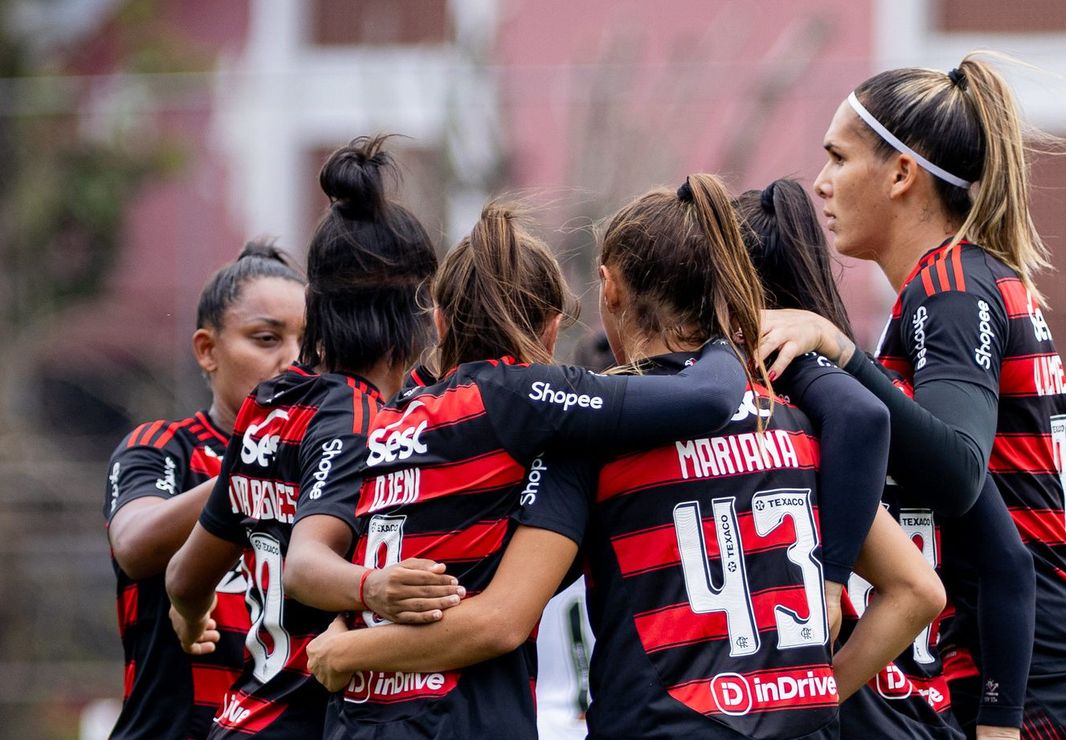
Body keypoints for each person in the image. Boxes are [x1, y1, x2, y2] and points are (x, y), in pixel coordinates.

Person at [759, 53, 1066, 739]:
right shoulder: (953, 282)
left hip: (1039, 673)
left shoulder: (952, 287)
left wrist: (839, 354)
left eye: (839, 159)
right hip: (1012, 661)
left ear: (902, 174)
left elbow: (960, 469)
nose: (821, 183)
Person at [299, 192, 753, 739]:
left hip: (357, 717)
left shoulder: (390, 417)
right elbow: (706, 402)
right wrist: (727, 339)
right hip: (457, 718)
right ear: (550, 328)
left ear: (440, 323)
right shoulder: (518, 394)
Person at [165, 136, 462, 738]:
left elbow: (182, 577)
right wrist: (372, 586)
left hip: (241, 719)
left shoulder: (270, 406)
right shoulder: (356, 417)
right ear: (416, 315)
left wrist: (191, 616)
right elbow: (304, 566)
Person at [103, 239, 305, 739]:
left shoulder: (327, 465)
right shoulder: (162, 447)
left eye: (308, 343)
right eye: (266, 339)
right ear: (208, 350)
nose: (293, 361)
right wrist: (253, 470)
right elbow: (134, 545)